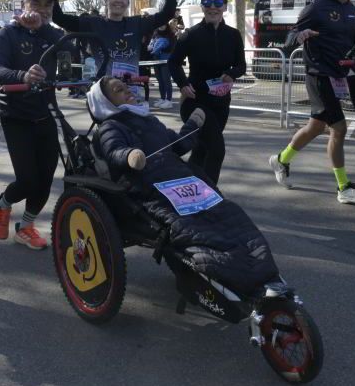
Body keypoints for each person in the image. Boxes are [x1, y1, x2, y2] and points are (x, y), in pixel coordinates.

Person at [89, 77, 280, 291]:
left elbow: (177, 146)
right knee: (194, 226)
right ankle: (231, 272)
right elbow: (113, 151)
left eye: (126, 87)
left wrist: (192, 125)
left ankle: (252, 265)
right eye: (119, 90)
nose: (128, 91)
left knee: (225, 212)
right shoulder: (110, 126)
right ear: (106, 102)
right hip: (151, 186)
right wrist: (130, 155)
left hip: (181, 179)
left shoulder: (148, 120)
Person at [268, 0, 355, 203]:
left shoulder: (352, 10)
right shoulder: (318, 7)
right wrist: (299, 36)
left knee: (315, 127)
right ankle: (344, 188)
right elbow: (290, 37)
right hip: (318, 75)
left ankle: (281, 159)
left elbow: (349, 41)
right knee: (339, 128)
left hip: (338, 76)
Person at [0, 0, 65, 250]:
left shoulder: (51, 33)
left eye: (48, 4)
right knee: (28, 180)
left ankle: (26, 227)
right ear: (23, 6)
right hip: (15, 115)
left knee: (46, 177)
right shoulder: (8, 34)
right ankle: (3, 203)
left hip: (46, 113)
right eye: (36, 3)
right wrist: (23, 76)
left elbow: (73, 53)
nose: (42, 9)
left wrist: (41, 27)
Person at [52, 0, 182, 95]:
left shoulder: (137, 23)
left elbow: (167, 14)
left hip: (130, 92)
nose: (118, 0)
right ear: (106, 0)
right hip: (103, 93)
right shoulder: (93, 23)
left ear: (127, 2)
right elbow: (59, 18)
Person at [168, 0, 245, 185]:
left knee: (202, 149)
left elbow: (241, 65)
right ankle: (210, 198)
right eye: (208, 3)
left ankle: (188, 190)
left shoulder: (233, 35)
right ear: (202, 7)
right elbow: (173, 62)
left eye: (218, 3)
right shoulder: (190, 35)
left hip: (221, 103)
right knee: (216, 149)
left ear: (224, 7)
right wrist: (183, 84)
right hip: (196, 103)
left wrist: (232, 73)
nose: (213, 7)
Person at [147, 19, 178, 109]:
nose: (162, 26)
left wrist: (161, 48)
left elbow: (172, 48)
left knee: (166, 80)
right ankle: (162, 98)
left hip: (166, 61)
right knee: (160, 80)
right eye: (160, 24)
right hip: (156, 60)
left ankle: (169, 100)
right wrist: (151, 47)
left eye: (164, 24)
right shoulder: (155, 34)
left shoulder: (171, 35)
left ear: (166, 25)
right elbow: (151, 45)